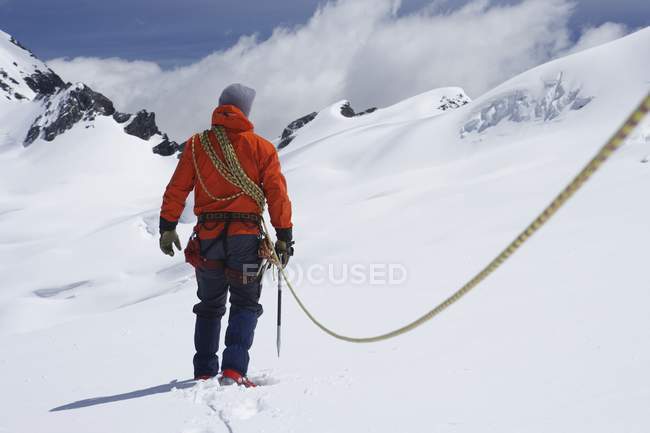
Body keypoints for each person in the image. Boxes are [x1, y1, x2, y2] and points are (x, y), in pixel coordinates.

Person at [158, 83, 293, 387]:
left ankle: (204, 371)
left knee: (209, 305)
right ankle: (233, 370)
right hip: (246, 237)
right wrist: (284, 234)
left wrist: (167, 226)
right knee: (245, 302)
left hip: (208, 237)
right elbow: (276, 193)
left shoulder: (196, 146)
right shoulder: (262, 148)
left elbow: (177, 188)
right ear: (245, 112)